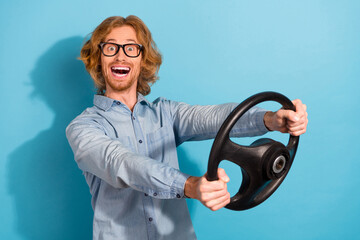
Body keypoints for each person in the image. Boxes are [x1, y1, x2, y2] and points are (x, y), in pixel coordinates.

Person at [66, 15, 308, 240]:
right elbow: (121, 162)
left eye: (131, 48)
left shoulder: (166, 113)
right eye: (111, 48)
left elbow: (213, 117)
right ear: (98, 58)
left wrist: (270, 119)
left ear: (142, 59)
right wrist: (190, 185)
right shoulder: (82, 128)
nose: (121, 57)